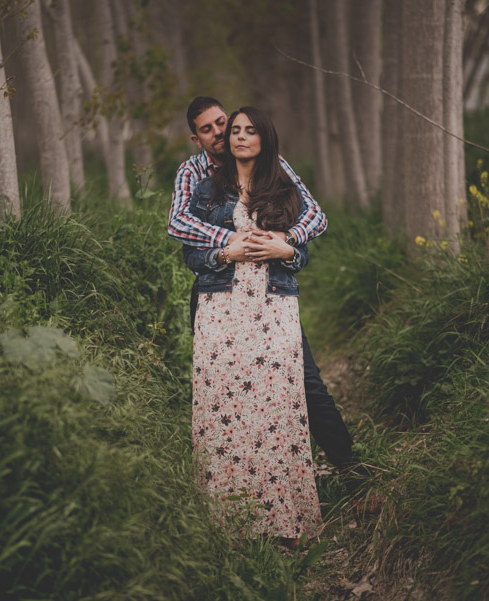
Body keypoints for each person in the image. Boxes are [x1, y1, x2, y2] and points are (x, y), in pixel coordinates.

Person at [169, 97, 364, 485]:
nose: (221, 133)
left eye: (223, 122)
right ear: (196, 138)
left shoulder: (272, 167)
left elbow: (314, 215)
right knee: (225, 392)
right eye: (208, 129)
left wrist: (287, 242)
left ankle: (352, 470)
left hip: (270, 300)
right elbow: (178, 225)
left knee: (303, 380)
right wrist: (230, 243)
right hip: (217, 295)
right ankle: (237, 490)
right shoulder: (194, 174)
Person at [182, 106, 319, 540]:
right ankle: (229, 524)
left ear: (264, 138)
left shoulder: (282, 185)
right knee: (223, 407)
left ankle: (282, 520)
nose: (238, 137)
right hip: (221, 310)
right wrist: (225, 253)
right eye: (233, 130)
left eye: (248, 130)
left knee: (277, 406)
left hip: (273, 308)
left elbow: (305, 248)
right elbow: (188, 252)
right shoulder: (205, 188)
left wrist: (288, 250)